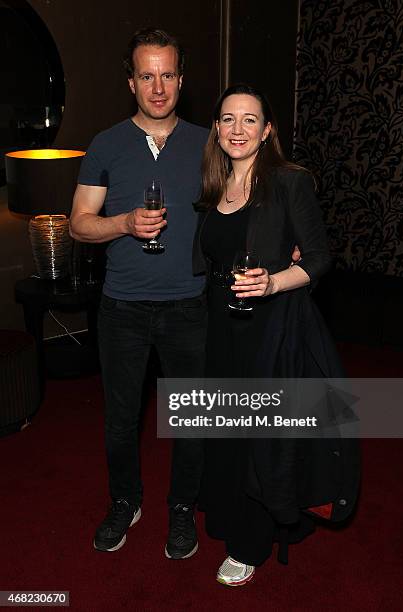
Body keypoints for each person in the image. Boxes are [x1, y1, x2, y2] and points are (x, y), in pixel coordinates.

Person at [193, 84, 360, 586]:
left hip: (271, 328)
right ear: (217, 131)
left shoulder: (289, 182)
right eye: (227, 120)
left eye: (249, 120)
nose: (237, 129)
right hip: (222, 323)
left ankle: (251, 543)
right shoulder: (213, 186)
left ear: (267, 131)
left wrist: (272, 282)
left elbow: (320, 258)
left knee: (260, 439)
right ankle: (229, 517)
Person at [69, 28, 209, 559]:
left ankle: (181, 508)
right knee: (121, 419)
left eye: (167, 75)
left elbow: (242, 207)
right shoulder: (106, 144)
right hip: (122, 307)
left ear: (181, 80)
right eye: (146, 75)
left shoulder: (208, 142)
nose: (157, 87)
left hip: (189, 306)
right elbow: (80, 224)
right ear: (131, 82)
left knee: (191, 417)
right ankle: (125, 501)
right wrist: (125, 223)